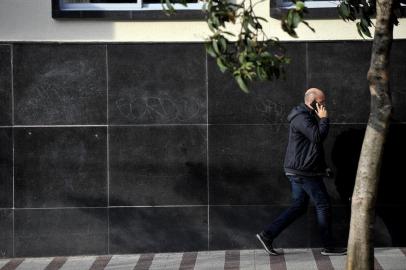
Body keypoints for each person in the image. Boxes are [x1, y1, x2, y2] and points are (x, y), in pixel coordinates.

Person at [256, 88, 347, 256]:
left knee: (299, 206)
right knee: (323, 204)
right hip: (303, 171)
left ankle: (267, 235)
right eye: (321, 102)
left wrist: (323, 167)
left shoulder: (308, 116)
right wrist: (324, 119)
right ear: (311, 102)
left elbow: (313, 148)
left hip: (304, 169)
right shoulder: (301, 117)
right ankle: (329, 246)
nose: (324, 105)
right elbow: (317, 137)